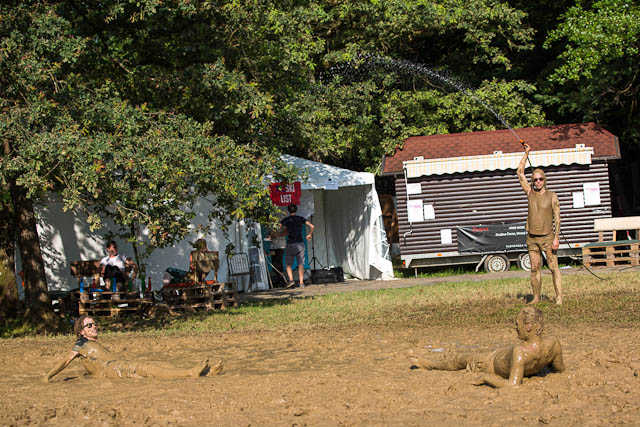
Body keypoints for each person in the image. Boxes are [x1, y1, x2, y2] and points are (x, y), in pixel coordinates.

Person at [409, 307, 565, 388]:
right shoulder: (553, 343)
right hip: (499, 356)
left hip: (488, 363)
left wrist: (485, 378)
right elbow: (559, 370)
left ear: (528, 326)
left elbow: (512, 386)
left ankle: (430, 364)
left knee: (458, 360)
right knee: (461, 357)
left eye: (517, 324)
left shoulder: (520, 353)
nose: (515, 327)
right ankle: (431, 363)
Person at [43, 315, 223, 382]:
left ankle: (207, 372)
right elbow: (64, 362)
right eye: (90, 325)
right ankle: (190, 373)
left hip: (117, 365)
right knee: (148, 369)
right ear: (81, 331)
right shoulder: (80, 344)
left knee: (156, 363)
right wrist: (47, 377)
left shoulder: (93, 344)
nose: (94, 327)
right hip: (112, 369)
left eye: (94, 324)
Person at [517, 143, 563, 305]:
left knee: (552, 267)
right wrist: (526, 153)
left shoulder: (552, 196)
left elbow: (557, 218)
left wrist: (556, 238)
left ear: (545, 180)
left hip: (548, 237)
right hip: (532, 237)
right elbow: (519, 172)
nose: (538, 181)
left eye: (540, 179)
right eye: (535, 179)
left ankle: (558, 298)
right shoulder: (529, 193)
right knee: (534, 268)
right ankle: (536, 297)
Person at [275, 204, 314, 288]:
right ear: (296, 210)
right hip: (300, 243)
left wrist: (276, 234)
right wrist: (309, 234)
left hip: (290, 243)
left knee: (288, 264)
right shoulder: (300, 219)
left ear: (288, 211)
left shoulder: (286, 220)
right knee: (300, 264)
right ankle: (301, 283)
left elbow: (277, 227)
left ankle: (291, 280)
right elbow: (312, 226)